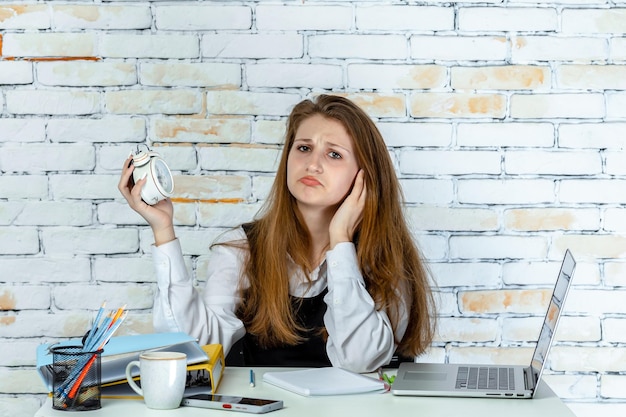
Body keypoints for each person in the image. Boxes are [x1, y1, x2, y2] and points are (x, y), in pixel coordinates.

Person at [118, 94, 435, 373]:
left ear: (364, 175)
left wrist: (341, 243)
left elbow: (359, 360)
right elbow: (196, 346)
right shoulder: (243, 248)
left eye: (334, 154)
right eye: (304, 148)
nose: (312, 164)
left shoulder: (385, 255)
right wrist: (163, 230)